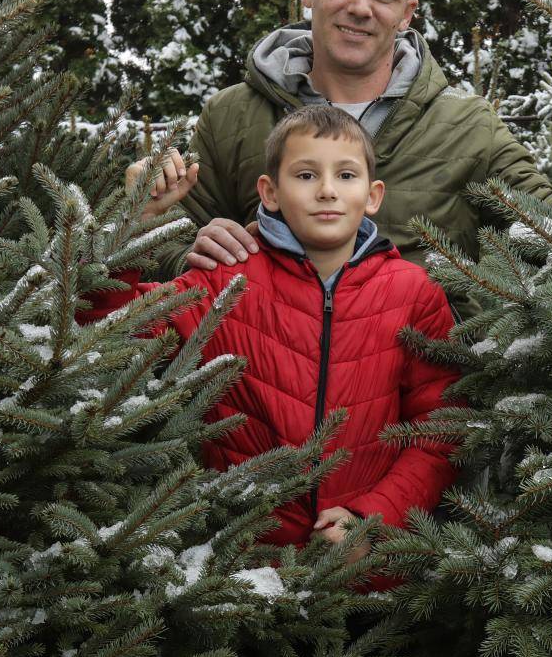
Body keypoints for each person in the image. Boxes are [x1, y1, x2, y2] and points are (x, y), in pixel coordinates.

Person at [83, 105, 458, 580]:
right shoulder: (226, 283)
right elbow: (105, 328)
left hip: (371, 574)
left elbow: (442, 428)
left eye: (345, 174)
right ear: (271, 192)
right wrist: (132, 220)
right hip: (241, 574)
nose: (326, 190)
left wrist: (375, 518)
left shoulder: (412, 292)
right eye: (305, 174)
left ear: (373, 195)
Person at [131, 0, 552, 280]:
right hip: (265, 370)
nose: (360, 7)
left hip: (424, 371)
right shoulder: (232, 117)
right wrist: (150, 223)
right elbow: (160, 254)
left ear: (407, 12)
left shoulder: (470, 129)